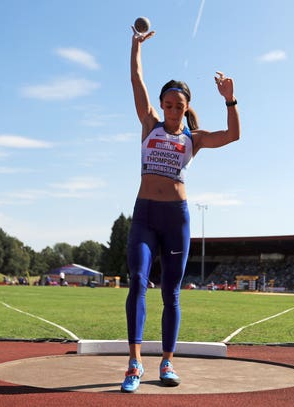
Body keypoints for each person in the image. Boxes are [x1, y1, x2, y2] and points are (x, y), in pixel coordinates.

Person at [121, 24, 240, 393]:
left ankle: (167, 361)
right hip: (145, 215)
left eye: (178, 106)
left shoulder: (194, 139)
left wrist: (230, 99)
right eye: (168, 104)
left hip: (176, 219)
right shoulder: (149, 123)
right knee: (138, 281)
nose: (172, 110)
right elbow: (136, 80)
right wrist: (136, 46)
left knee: (171, 292)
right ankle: (134, 363)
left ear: (187, 107)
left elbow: (233, 135)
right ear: (162, 105)